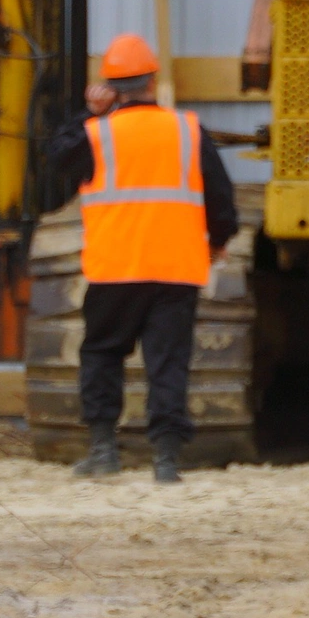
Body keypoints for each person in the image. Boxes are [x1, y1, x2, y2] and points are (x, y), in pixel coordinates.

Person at [43, 33, 237, 483]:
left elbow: (54, 159)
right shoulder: (188, 130)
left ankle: (103, 450)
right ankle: (166, 461)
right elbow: (221, 196)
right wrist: (219, 240)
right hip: (177, 270)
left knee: (102, 355)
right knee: (167, 362)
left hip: (115, 269)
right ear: (153, 79)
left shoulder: (96, 135)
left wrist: (87, 114)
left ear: (109, 85)